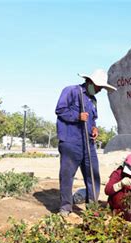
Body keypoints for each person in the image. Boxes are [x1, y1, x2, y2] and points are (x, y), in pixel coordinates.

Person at [55, 69, 116, 216]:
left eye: (102, 88)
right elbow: (60, 110)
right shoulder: (71, 91)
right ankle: (65, 207)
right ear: (91, 82)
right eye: (99, 87)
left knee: (93, 174)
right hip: (70, 141)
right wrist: (77, 116)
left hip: (88, 143)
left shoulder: (93, 100)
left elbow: (92, 120)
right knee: (67, 175)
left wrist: (94, 129)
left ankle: (92, 208)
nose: (100, 90)